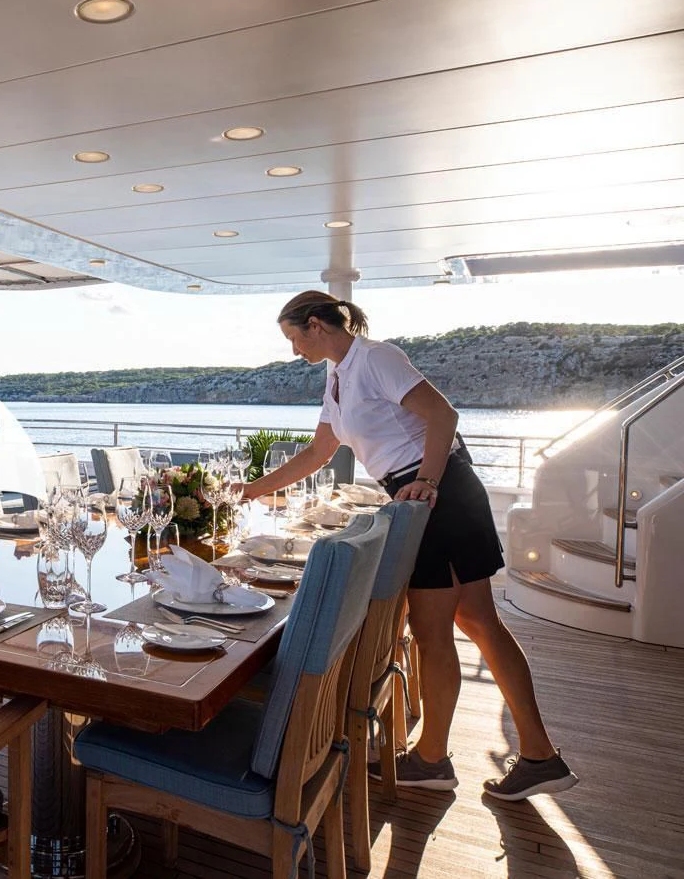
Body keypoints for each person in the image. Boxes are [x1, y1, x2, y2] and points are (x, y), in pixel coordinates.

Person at [242, 290, 578, 800]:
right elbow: (318, 452)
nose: (293, 351)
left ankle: (433, 760)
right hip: (429, 495)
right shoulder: (337, 377)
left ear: (315, 324)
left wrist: (426, 483)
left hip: (434, 497)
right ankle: (537, 755)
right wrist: (250, 490)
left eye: (293, 338)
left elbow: (443, 415)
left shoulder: (376, 357)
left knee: (433, 630)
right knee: (478, 622)